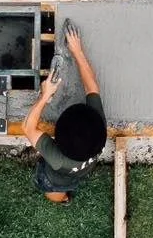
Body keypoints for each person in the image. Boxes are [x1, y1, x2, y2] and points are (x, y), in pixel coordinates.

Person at [23, 23, 106, 203]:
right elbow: (91, 86)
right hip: (67, 172)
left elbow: (27, 128)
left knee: (50, 189)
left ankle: (62, 197)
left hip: (66, 175)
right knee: (52, 190)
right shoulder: (94, 131)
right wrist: (77, 51)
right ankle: (62, 197)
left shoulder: (60, 159)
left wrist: (45, 96)